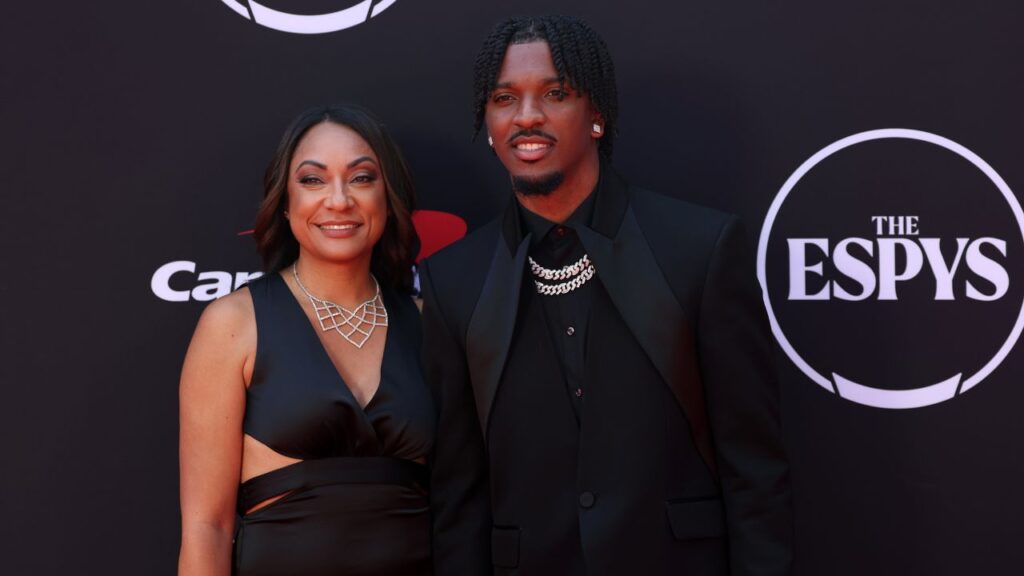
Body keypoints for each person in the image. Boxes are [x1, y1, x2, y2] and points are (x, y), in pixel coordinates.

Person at [421, 16, 793, 576]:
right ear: (488, 122)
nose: (527, 117)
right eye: (504, 99)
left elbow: (754, 469)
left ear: (597, 114)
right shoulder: (454, 279)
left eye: (555, 93)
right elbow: (459, 496)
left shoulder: (699, 248)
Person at [178, 104, 433, 575]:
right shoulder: (234, 324)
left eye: (361, 178)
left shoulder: (429, 325)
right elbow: (206, 528)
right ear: (284, 200)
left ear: (388, 194)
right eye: (312, 180)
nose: (338, 200)